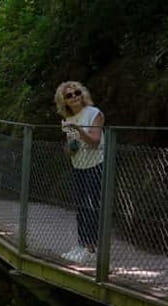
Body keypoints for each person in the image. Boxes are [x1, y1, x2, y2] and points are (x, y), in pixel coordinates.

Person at [55, 80, 105, 263]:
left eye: (76, 93)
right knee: (81, 207)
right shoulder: (69, 120)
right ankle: (81, 244)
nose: (74, 97)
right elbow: (73, 147)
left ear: (82, 94)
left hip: (95, 165)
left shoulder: (94, 114)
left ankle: (91, 248)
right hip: (79, 166)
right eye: (69, 95)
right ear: (64, 101)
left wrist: (78, 130)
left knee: (92, 206)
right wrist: (69, 144)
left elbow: (94, 141)